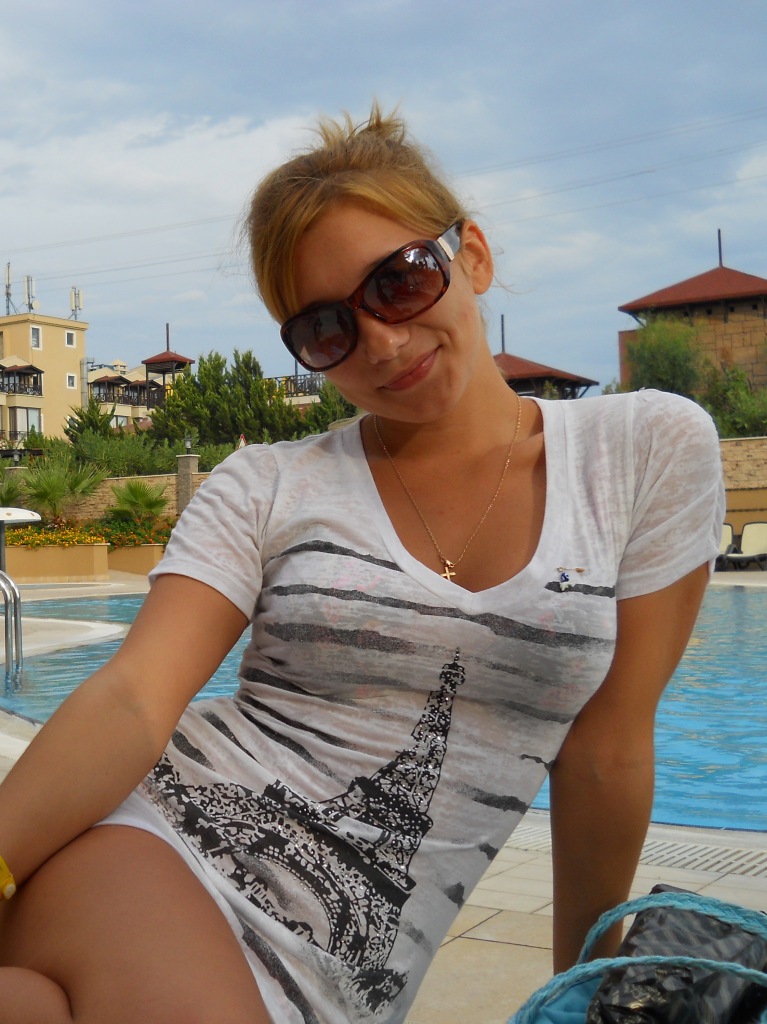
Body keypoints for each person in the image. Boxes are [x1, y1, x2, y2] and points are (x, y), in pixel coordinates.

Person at [0, 104, 724, 1024]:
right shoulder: (267, 483)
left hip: (339, 978)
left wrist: (579, 992)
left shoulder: (645, 449)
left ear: (471, 256)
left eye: (401, 280)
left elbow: (605, 749)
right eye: (326, 329)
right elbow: (137, 697)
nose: (380, 340)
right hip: (158, 850)